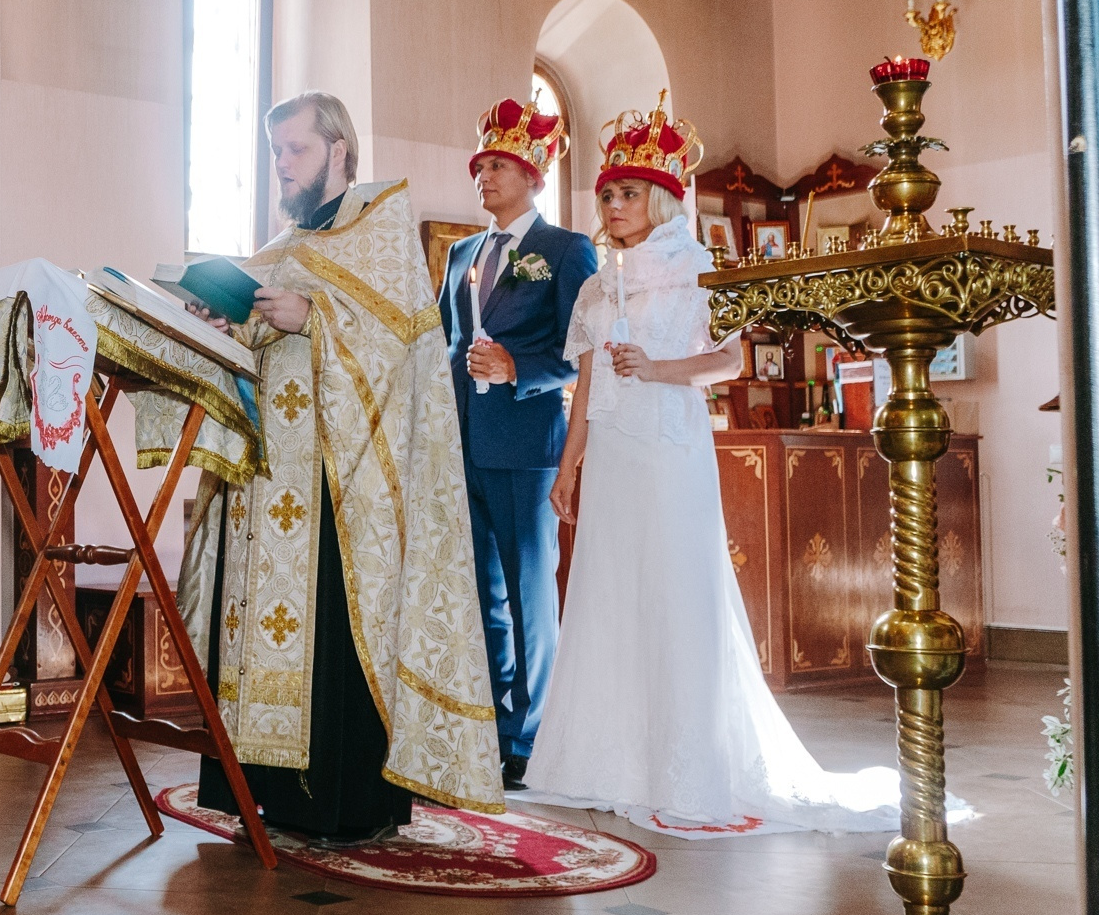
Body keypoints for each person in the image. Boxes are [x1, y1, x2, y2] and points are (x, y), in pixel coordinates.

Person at [522, 95, 901, 835]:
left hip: (670, 451)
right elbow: (589, 383)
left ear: (662, 197)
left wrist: (659, 368)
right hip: (614, 457)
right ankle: (602, 762)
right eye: (606, 193)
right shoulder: (599, 283)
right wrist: (569, 468)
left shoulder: (700, 268)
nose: (615, 203)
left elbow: (730, 360)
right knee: (608, 593)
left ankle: (685, 765)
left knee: (674, 593)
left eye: (628, 192)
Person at [178, 91, 503, 844]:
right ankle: (256, 794)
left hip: (340, 489)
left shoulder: (380, 235)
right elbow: (263, 345)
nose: (282, 165)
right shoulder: (284, 247)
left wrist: (317, 316)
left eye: (294, 150)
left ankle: (339, 804)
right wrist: (233, 323)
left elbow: (406, 353)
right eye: (276, 153)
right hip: (266, 481)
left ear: (339, 151)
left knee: (331, 636)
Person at [438, 99, 596, 791]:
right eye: (480, 166)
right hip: (464, 440)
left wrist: (517, 369)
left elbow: (579, 354)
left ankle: (531, 739)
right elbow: (445, 343)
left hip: (529, 444)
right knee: (480, 594)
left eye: (499, 164)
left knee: (530, 595)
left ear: (532, 174)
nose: (485, 176)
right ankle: (492, 727)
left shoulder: (565, 250)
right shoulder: (460, 253)